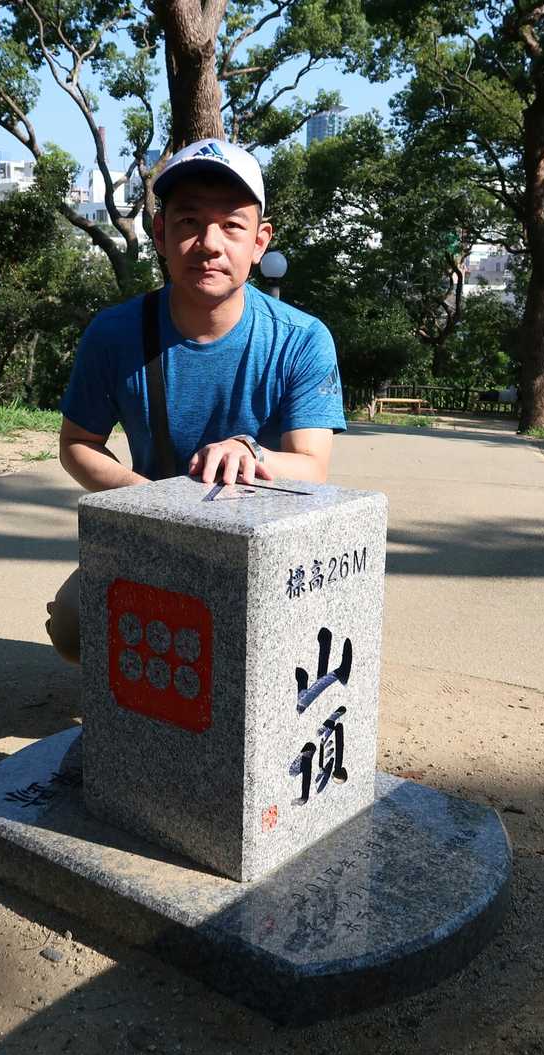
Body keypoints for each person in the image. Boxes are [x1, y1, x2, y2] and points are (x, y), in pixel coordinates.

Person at [44, 138, 347, 662]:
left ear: (260, 241)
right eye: (189, 222)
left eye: (231, 225)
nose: (209, 243)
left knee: (265, 646)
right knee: (75, 621)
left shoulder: (302, 339)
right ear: (160, 233)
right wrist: (146, 499)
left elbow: (312, 466)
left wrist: (250, 452)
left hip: (268, 541)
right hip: (157, 537)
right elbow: (77, 443)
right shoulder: (113, 334)